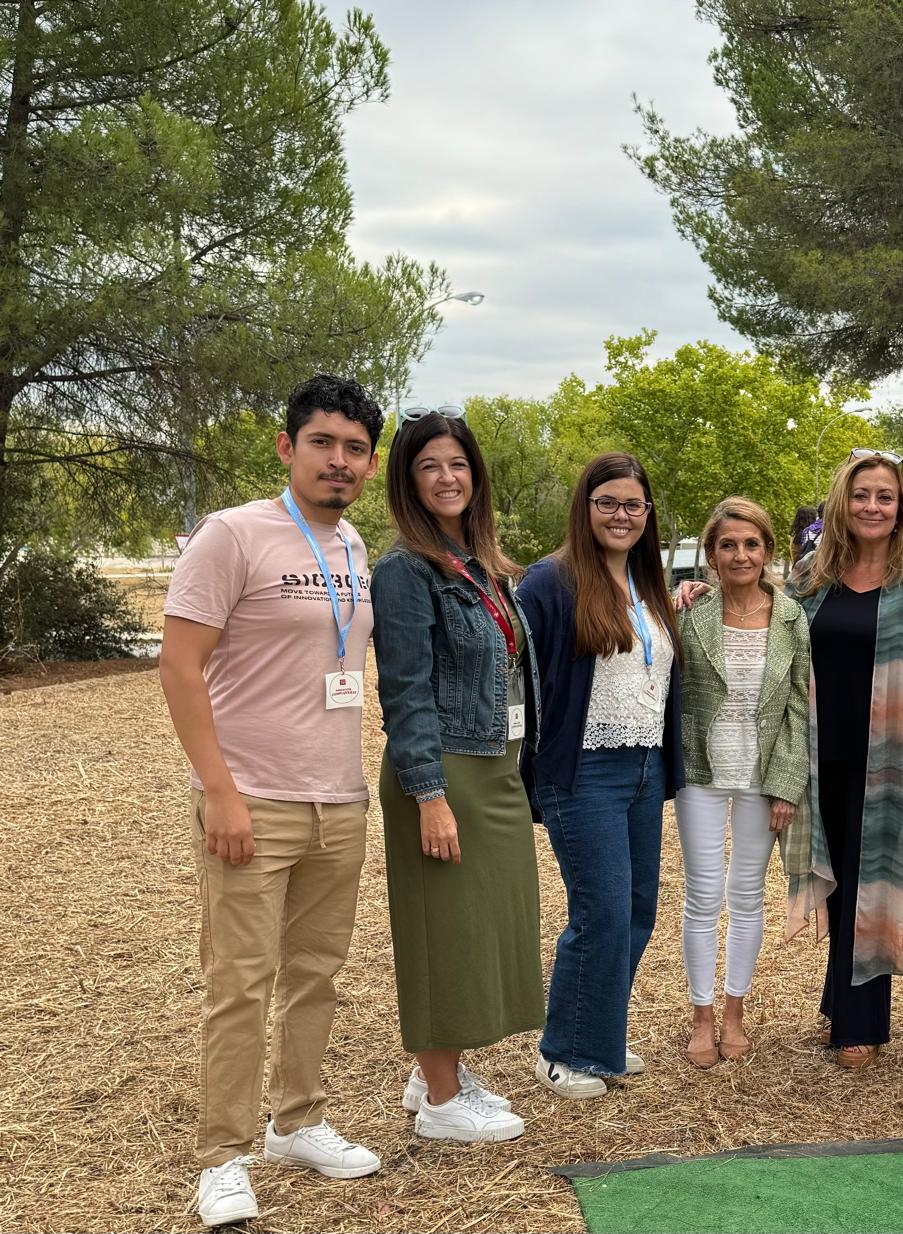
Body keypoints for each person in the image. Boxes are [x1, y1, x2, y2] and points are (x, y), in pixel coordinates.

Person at [159, 375, 383, 1227]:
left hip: (339, 798)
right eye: (323, 442)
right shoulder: (232, 535)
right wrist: (219, 792)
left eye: (355, 449)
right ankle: (222, 1154)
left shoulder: (356, 547)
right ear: (287, 448)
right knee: (240, 981)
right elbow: (180, 666)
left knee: (317, 976)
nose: (339, 460)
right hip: (252, 798)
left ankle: (299, 1119)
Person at [370, 409, 543, 1142]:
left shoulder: (479, 564)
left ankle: (432, 1073)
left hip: (495, 765)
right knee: (442, 932)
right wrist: (428, 793)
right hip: (445, 772)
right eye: (430, 466)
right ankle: (442, 1105)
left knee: (480, 931)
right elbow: (404, 690)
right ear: (409, 482)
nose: (448, 478)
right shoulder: (406, 570)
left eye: (458, 464)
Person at [516, 453, 684, 1099]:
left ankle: (600, 1034)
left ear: (648, 514)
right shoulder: (550, 583)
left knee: (639, 907)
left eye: (633, 504)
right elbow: (522, 676)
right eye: (607, 502)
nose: (621, 514)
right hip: (582, 770)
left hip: (644, 764)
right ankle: (564, 1051)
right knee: (603, 909)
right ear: (585, 509)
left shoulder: (648, 584)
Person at [786, 448, 903, 1068]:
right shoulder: (809, 579)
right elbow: (765, 632)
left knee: (873, 882)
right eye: (861, 496)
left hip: (892, 757)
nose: (872, 506)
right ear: (841, 504)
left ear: (900, 506)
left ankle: (862, 1021)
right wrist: (698, 592)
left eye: (884, 496)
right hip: (819, 756)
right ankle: (837, 999)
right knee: (837, 880)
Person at [677, 498, 810, 1066]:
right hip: (701, 772)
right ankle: (701, 1015)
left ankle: (735, 1012)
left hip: (762, 774)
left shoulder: (790, 617)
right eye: (728, 544)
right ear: (711, 554)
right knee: (703, 893)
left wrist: (786, 783)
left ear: (768, 552)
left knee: (747, 894)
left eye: (751, 544)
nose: (740, 555)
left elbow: (800, 710)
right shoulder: (689, 613)